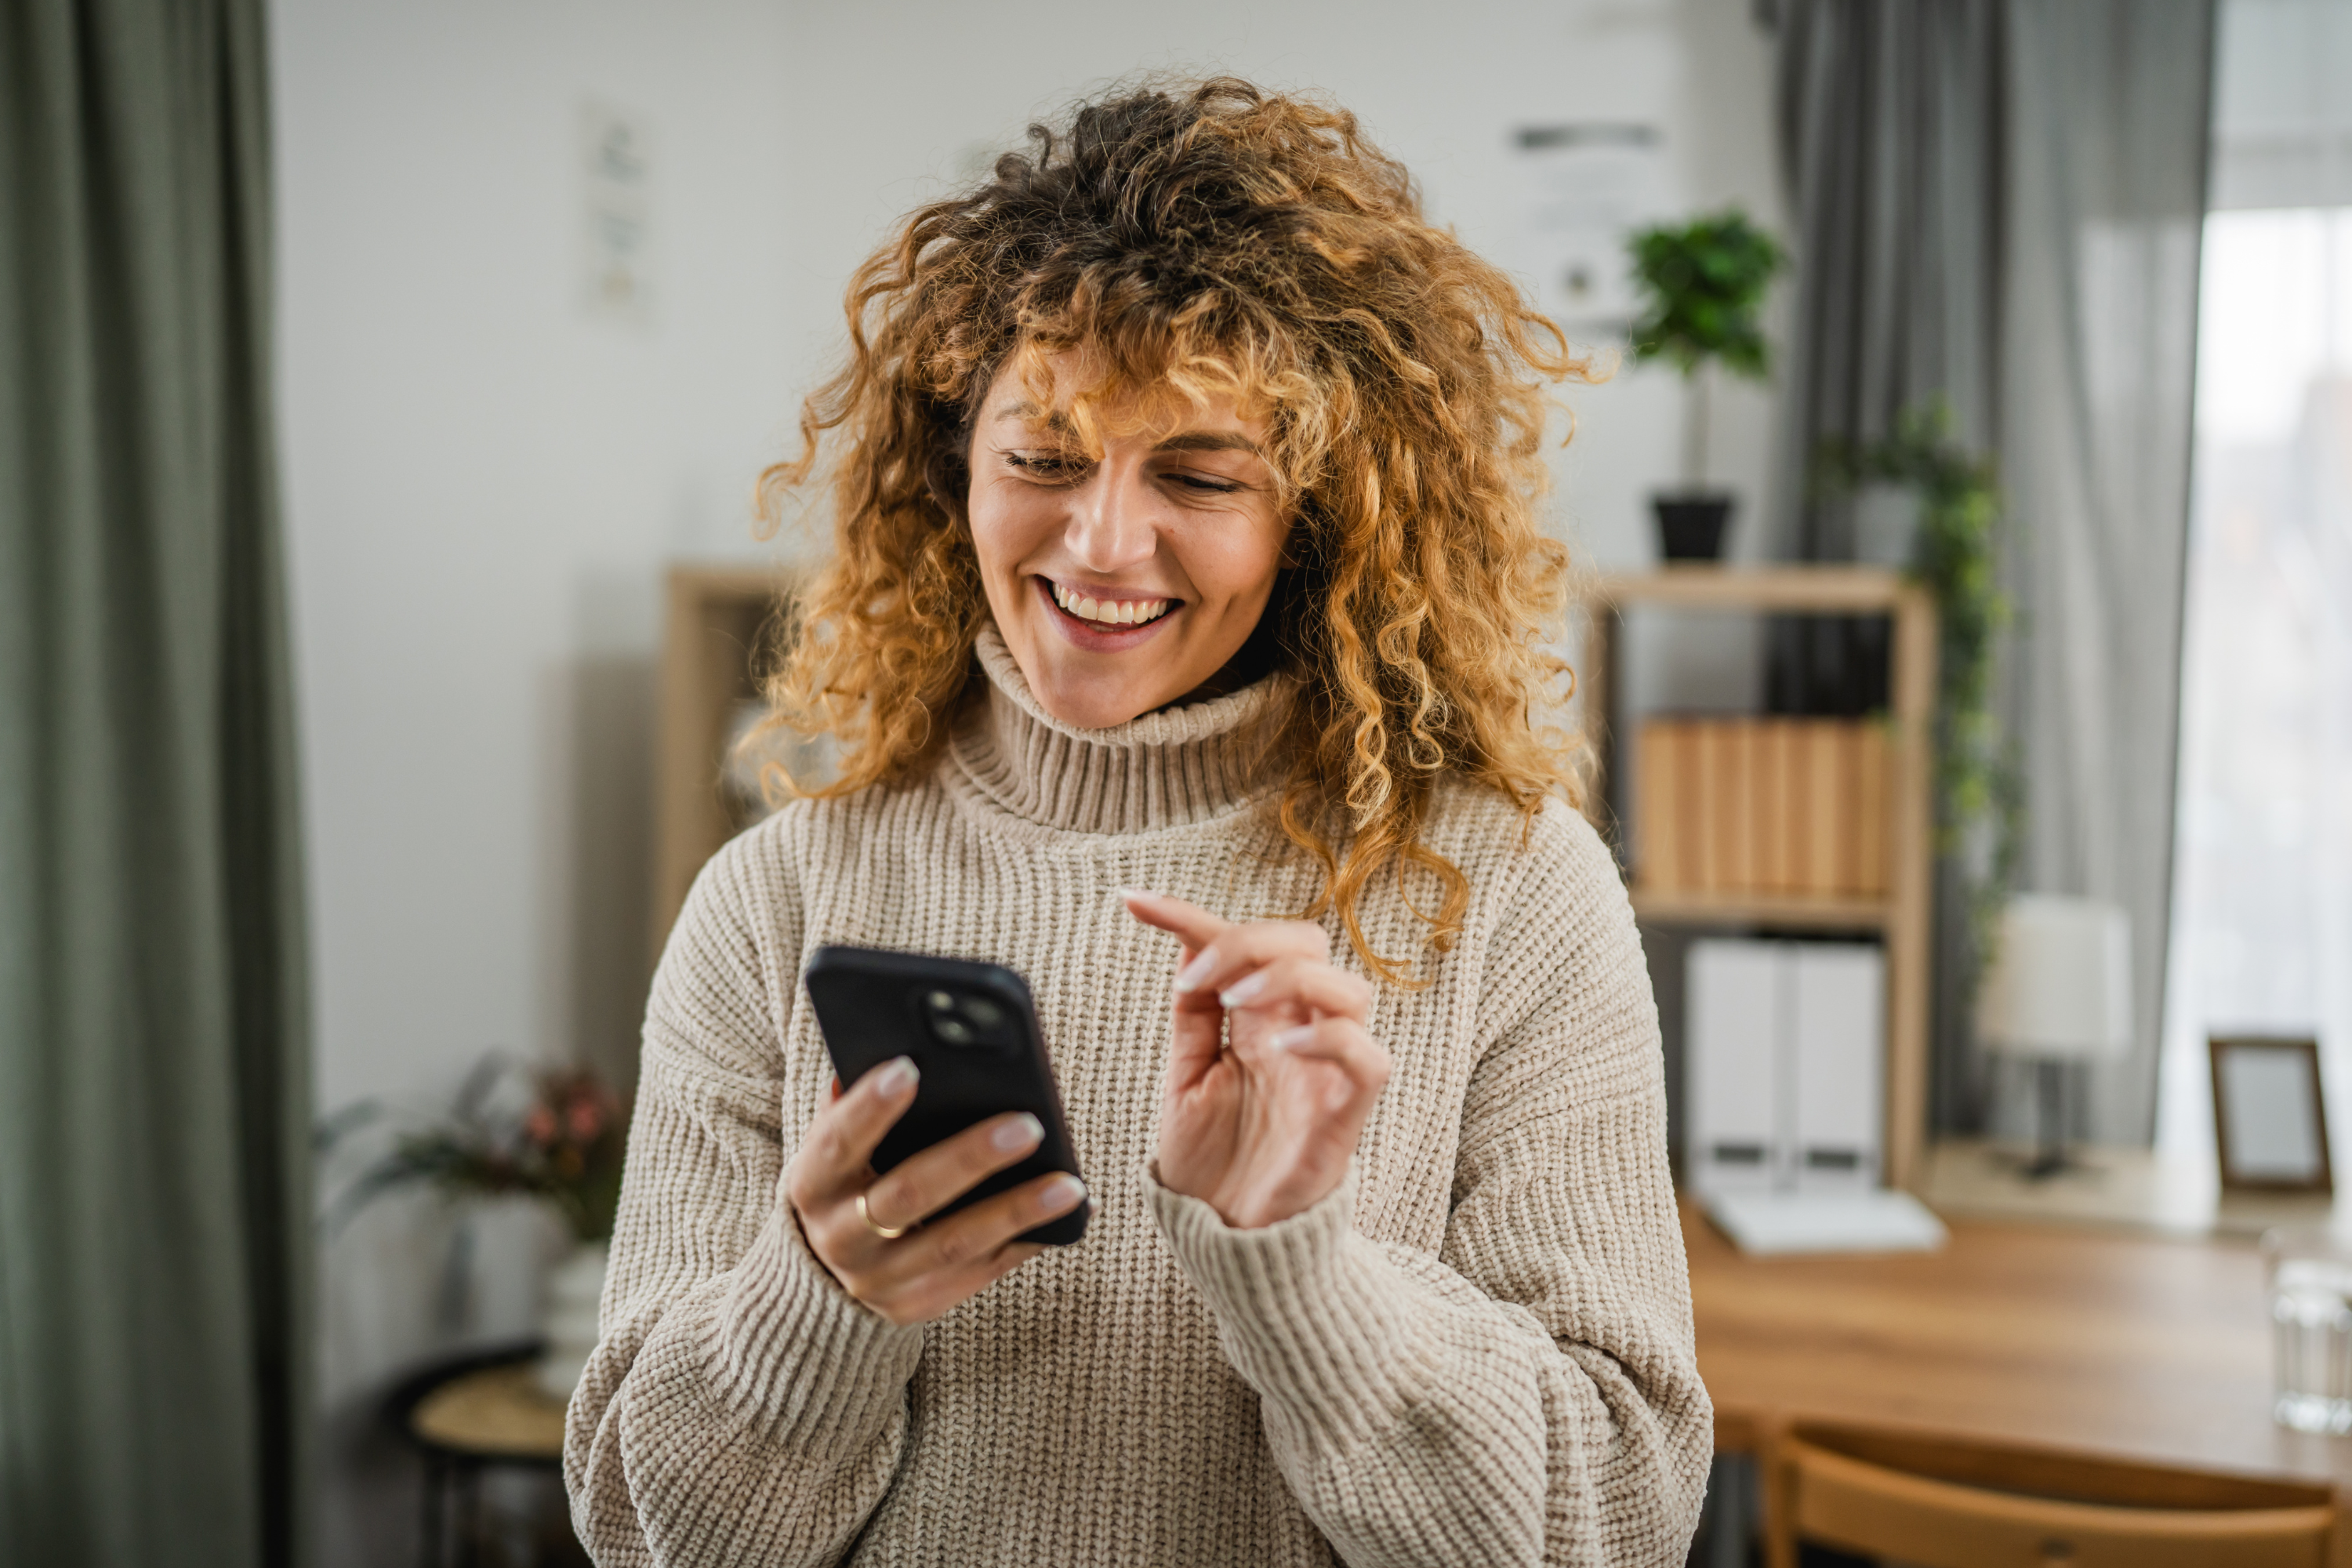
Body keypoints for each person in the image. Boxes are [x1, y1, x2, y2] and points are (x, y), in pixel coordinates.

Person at [564, 77, 1710, 1567]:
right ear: (950, 464)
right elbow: (639, 1536)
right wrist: (819, 1306)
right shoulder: (774, 901)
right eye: (1042, 458)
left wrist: (1302, 1274)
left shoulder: (1514, 894)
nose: (1101, 545)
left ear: (1321, 510)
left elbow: (1619, 1519)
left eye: (1199, 474)